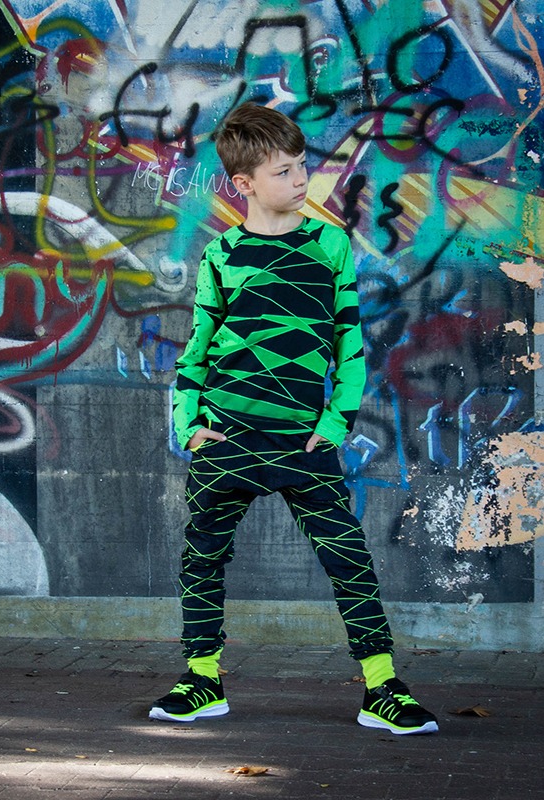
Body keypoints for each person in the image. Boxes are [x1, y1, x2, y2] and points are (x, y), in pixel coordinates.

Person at [148, 102, 438, 735]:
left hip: (303, 441)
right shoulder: (222, 254)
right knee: (203, 556)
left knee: (348, 556)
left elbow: (350, 349)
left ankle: (382, 688)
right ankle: (201, 680)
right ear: (245, 184)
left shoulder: (329, 245)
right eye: (283, 171)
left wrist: (334, 424)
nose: (302, 178)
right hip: (226, 436)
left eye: (303, 165)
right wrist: (190, 424)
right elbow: (197, 350)